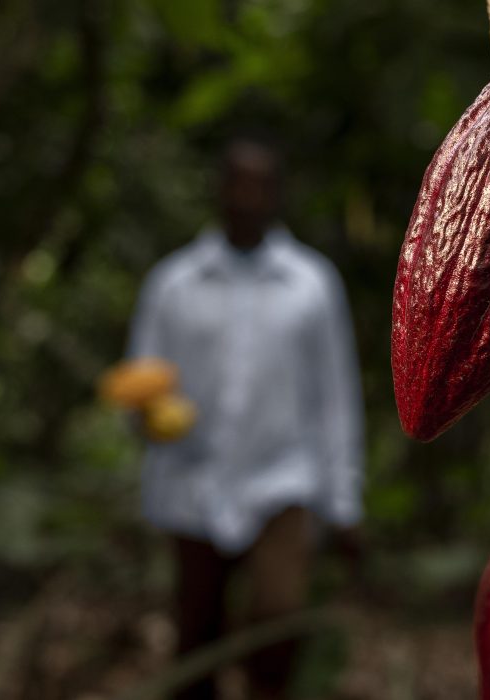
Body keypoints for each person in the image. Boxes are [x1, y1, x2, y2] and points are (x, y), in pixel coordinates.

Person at [126, 137, 364, 699]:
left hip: (283, 482)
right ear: (219, 189)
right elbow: (144, 378)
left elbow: (334, 396)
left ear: (278, 195)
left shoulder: (311, 284)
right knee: (197, 636)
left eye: (260, 185)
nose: (247, 197)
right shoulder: (174, 284)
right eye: (237, 183)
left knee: (277, 631)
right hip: (192, 484)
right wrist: (145, 418)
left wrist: (343, 500)